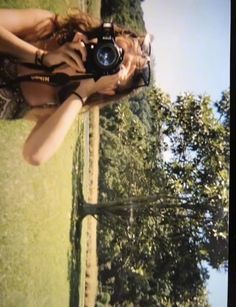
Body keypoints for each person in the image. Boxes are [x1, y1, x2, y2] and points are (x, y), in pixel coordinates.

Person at [0, 8, 151, 165]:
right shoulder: (49, 28)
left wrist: (82, 92)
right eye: (120, 47)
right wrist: (42, 57)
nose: (109, 56)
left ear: (107, 88)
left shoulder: (58, 105)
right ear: (108, 35)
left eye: (118, 66)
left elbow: (34, 155)